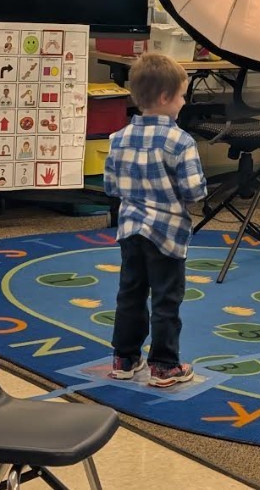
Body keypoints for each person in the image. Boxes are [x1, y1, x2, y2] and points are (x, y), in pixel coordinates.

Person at [104, 53, 207, 387]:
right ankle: (163, 365)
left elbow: (111, 186)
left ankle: (124, 357)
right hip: (167, 234)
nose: (183, 101)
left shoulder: (117, 138)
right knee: (166, 298)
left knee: (130, 294)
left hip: (131, 229)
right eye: (181, 95)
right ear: (165, 98)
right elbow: (194, 191)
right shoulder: (180, 140)